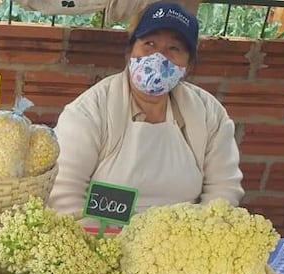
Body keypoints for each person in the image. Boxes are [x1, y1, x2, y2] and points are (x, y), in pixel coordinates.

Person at [47, 1, 244, 219]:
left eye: (174, 48)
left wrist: (200, 233)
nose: (159, 57)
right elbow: (64, 193)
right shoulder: (88, 111)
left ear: (187, 67)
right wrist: (93, 236)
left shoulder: (209, 114)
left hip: (182, 236)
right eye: (149, 44)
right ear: (129, 53)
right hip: (99, 234)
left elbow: (224, 189)